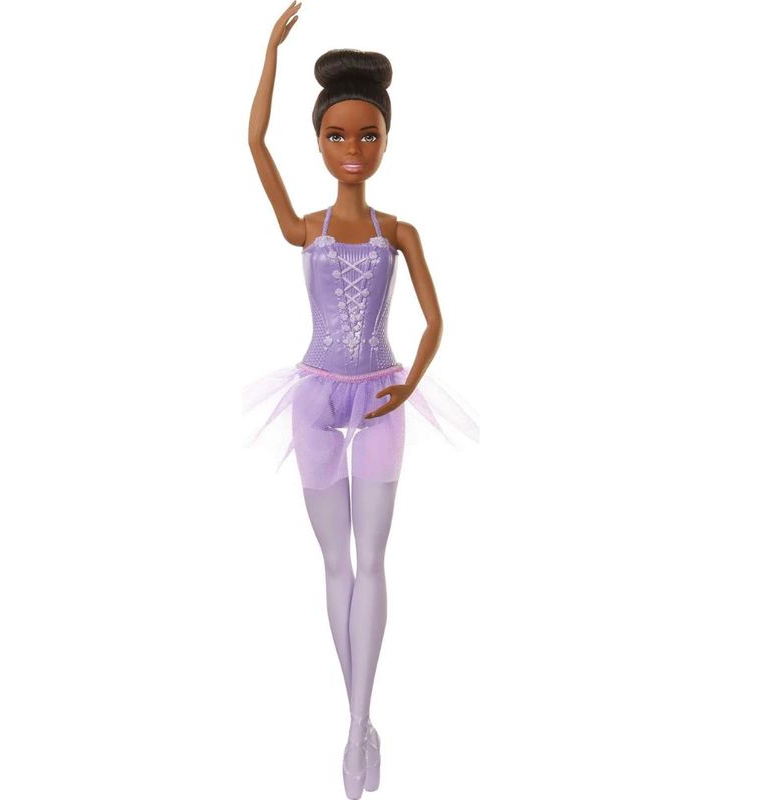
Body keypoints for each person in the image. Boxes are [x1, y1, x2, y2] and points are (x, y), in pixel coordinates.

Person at [245, 3, 478, 797]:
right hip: (315, 395)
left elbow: (437, 320)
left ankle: (356, 726)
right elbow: (253, 144)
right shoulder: (304, 228)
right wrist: (270, 52)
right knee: (335, 562)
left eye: (368, 135)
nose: (353, 148)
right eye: (338, 135)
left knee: (373, 559)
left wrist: (410, 382)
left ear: (385, 139)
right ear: (319, 141)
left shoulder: (400, 232)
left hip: (380, 393)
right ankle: (359, 720)